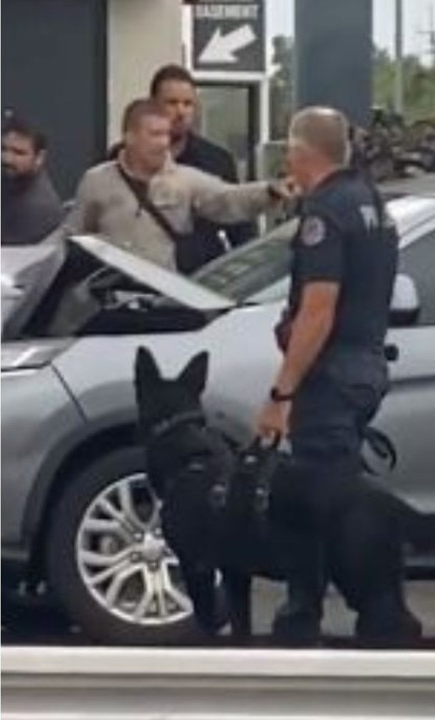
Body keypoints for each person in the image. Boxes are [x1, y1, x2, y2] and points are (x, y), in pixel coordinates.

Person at [255, 106, 403, 644]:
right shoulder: (371, 202)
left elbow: (320, 308)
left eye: (289, 148)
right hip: (365, 367)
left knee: (320, 501)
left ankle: (367, 610)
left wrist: (282, 392)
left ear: (300, 151)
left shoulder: (326, 211)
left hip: (332, 375)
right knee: (335, 493)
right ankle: (340, 608)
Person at [67, 98, 290, 272]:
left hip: (163, 300)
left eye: (166, 135)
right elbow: (72, 235)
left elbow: (227, 198)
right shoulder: (96, 180)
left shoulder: (184, 180)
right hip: (111, 301)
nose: (163, 142)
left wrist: (268, 192)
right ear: (130, 137)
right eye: (154, 134)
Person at [107, 65, 257, 272]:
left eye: (188, 104)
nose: (181, 112)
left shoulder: (216, 161)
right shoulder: (122, 156)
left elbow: (240, 229)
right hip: (140, 279)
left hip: (200, 283)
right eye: (172, 103)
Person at [1, 112, 64, 246]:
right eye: (4, 149)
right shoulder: (10, 181)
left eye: (19, 153)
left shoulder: (39, 208)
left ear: (39, 157)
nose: (6, 158)